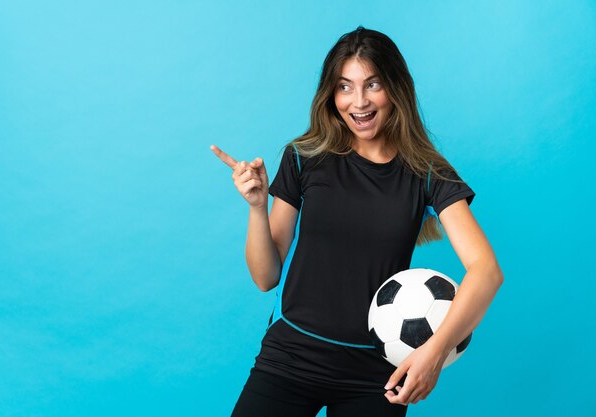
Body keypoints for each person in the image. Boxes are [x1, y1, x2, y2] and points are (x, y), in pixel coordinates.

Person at [211, 26, 503, 417]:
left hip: (375, 375)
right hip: (291, 358)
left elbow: (486, 271)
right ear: (331, 95)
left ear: (396, 89)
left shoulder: (427, 172)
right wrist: (257, 207)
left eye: (373, 85)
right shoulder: (303, 157)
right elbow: (265, 277)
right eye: (345, 87)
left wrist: (432, 354)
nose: (359, 102)